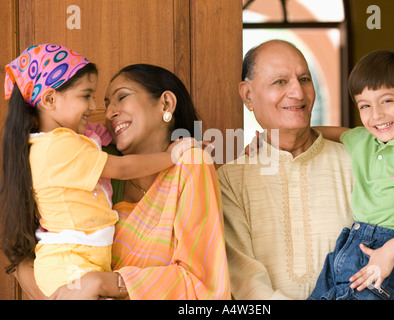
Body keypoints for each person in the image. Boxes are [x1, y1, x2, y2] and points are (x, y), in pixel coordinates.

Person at [217, 39, 394, 299]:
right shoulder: (230, 179)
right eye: (280, 82)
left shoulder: (362, 160)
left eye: (305, 79)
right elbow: (243, 279)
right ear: (248, 95)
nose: (298, 93)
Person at [11, 63, 231, 300]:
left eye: (122, 97)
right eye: (106, 104)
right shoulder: (99, 170)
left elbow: (202, 282)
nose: (108, 113)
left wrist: (107, 283)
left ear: (166, 104)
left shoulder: (189, 165)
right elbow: (20, 249)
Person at [308, 50, 394, 300]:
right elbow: (324, 132)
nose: (376, 115)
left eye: (386, 101)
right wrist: (272, 137)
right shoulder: (363, 139)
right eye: (365, 105)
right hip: (351, 243)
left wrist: (390, 251)